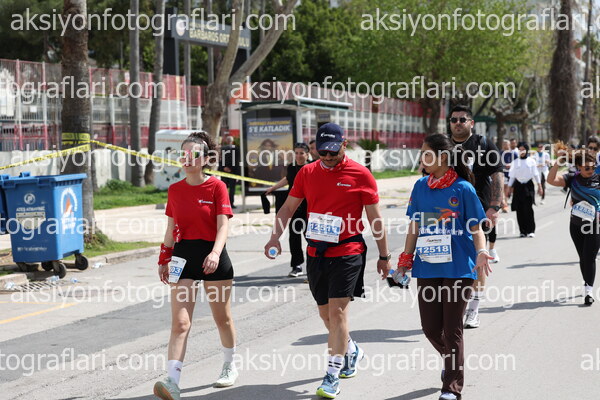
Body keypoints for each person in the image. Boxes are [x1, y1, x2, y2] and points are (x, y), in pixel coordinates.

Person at [264, 123, 391, 399]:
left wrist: (384, 256)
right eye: (323, 152)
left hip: (348, 251)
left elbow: (375, 219)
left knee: (338, 313)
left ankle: (332, 375)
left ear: (344, 144)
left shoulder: (361, 174)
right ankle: (351, 349)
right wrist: (274, 238)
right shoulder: (307, 173)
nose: (328, 156)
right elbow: (288, 207)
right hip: (316, 253)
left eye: (333, 151)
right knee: (325, 315)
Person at [397, 133, 492, 400]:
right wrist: (405, 260)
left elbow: (476, 227)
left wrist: (482, 251)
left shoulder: (463, 189)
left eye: (426, 154)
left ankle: (451, 387)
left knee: (453, 329)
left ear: (443, 157)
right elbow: (414, 225)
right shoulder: (419, 186)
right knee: (430, 328)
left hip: (459, 267)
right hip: (428, 266)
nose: (422, 158)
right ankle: (452, 360)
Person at [154, 132, 238, 400]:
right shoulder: (175, 190)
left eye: (194, 155)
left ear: (205, 159)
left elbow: (223, 225)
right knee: (180, 323)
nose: (188, 159)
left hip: (213, 256)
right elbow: (171, 228)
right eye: (184, 154)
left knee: (222, 318)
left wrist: (215, 253)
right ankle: (172, 381)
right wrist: (164, 257)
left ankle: (229, 364)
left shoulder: (217, 187)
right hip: (183, 258)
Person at [448, 105, 503, 329]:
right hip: (447, 212)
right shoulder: (443, 144)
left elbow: (497, 175)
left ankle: (473, 309)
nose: (457, 123)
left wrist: (495, 206)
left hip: (477, 210)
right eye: (454, 120)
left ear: (471, 123)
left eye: (462, 119)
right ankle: (455, 307)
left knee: (478, 258)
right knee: (450, 258)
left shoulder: (483, 144)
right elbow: (428, 174)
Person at [547, 149, 599, 305]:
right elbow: (551, 180)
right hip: (576, 224)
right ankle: (587, 284)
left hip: (595, 225)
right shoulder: (572, 178)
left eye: (593, 166)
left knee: (589, 257)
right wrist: (558, 162)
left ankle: (588, 290)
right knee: (583, 257)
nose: (591, 170)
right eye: (587, 167)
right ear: (579, 167)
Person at [265, 143, 310, 277]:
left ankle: (315, 266)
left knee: (311, 237)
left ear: (307, 154)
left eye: (301, 153)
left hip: (309, 208)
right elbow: (287, 179)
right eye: (296, 153)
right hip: (294, 206)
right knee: (294, 237)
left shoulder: (312, 167)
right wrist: (273, 188)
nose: (298, 156)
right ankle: (297, 265)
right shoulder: (291, 167)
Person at [507, 142, 543, 238]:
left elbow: (536, 175)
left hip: (528, 186)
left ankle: (531, 230)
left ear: (526, 150)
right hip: (518, 186)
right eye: (520, 149)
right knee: (519, 209)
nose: (521, 151)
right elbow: (512, 177)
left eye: (523, 149)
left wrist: (540, 186)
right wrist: (509, 189)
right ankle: (522, 231)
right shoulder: (515, 162)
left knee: (528, 208)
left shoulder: (531, 161)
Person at [219, 135, 240, 208]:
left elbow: (220, 159)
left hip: (224, 171)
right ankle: (231, 203)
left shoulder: (222, 149)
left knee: (224, 189)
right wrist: (232, 169)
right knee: (232, 188)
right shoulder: (236, 149)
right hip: (233, 171)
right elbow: (237, 161)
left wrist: (224, 168)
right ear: (232, 141)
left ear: (226, 141)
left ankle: (224, 203)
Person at [501, 139, 516, 213]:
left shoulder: (513, 153)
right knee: (504, 188)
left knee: (509, 189)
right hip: (502, 173)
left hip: (511, 173)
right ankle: (505, 204)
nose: (505, 145)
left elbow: (518, 162)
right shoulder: (499, 153)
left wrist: (511, 165)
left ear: (509, 145)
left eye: (506, 144)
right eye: (504, 144)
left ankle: (506, 202)